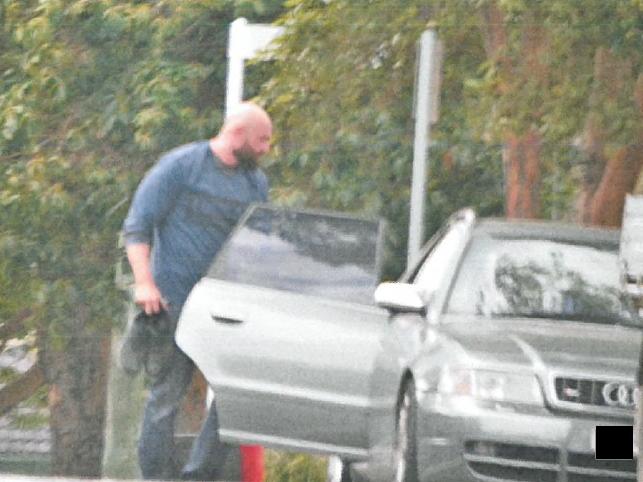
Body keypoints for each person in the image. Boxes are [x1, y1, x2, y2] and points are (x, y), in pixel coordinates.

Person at [122, 102, 272, 480]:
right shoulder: (181, 167)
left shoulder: (255, 183)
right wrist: (144, 283)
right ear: (237, 134)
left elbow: (258, 243)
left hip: (225, 310)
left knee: (233, 397)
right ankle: (155, 476)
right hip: (173, 303)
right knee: (165, 398)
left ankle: (198, 474)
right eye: (262, 140)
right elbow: (137, 228)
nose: (266, 149)